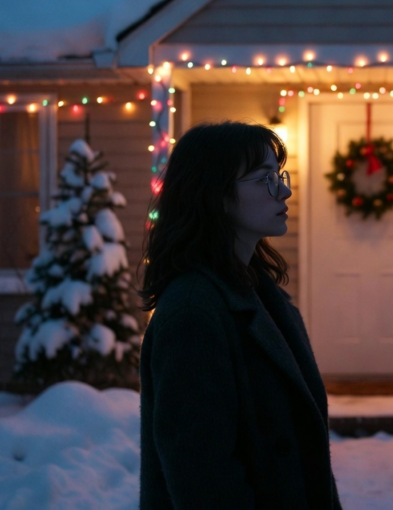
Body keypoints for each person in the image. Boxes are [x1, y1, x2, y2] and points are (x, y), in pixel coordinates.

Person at [139, 122, 341, 509]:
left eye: (279, 176)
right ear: (216, 196)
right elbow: (204, 481)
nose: (284, 190)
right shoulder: (192, 315)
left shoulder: (262, 296)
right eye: (265, 179)